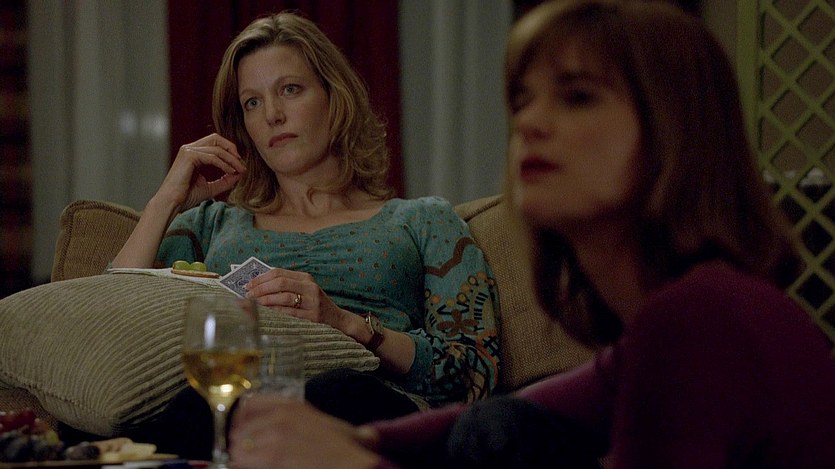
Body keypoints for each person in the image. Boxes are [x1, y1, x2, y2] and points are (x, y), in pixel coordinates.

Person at [225, 1, 835, 468]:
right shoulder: (653, 331)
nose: (531, 122)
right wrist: (352, 439)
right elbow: (500, 414)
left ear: (672, 130)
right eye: (523, 99)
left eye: (577, 97)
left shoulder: (701, 320)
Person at [110, 11, 499, 459]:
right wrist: (167, 200)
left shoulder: (422, 220)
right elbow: (113, 319)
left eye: (290, 90)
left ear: (335, 97)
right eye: (252, 103)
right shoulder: (211, 223)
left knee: (336, 390)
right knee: (188, 409)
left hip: (365, 404)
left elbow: (475, 372)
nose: (272, 115)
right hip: (232, 407)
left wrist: (346, 323)